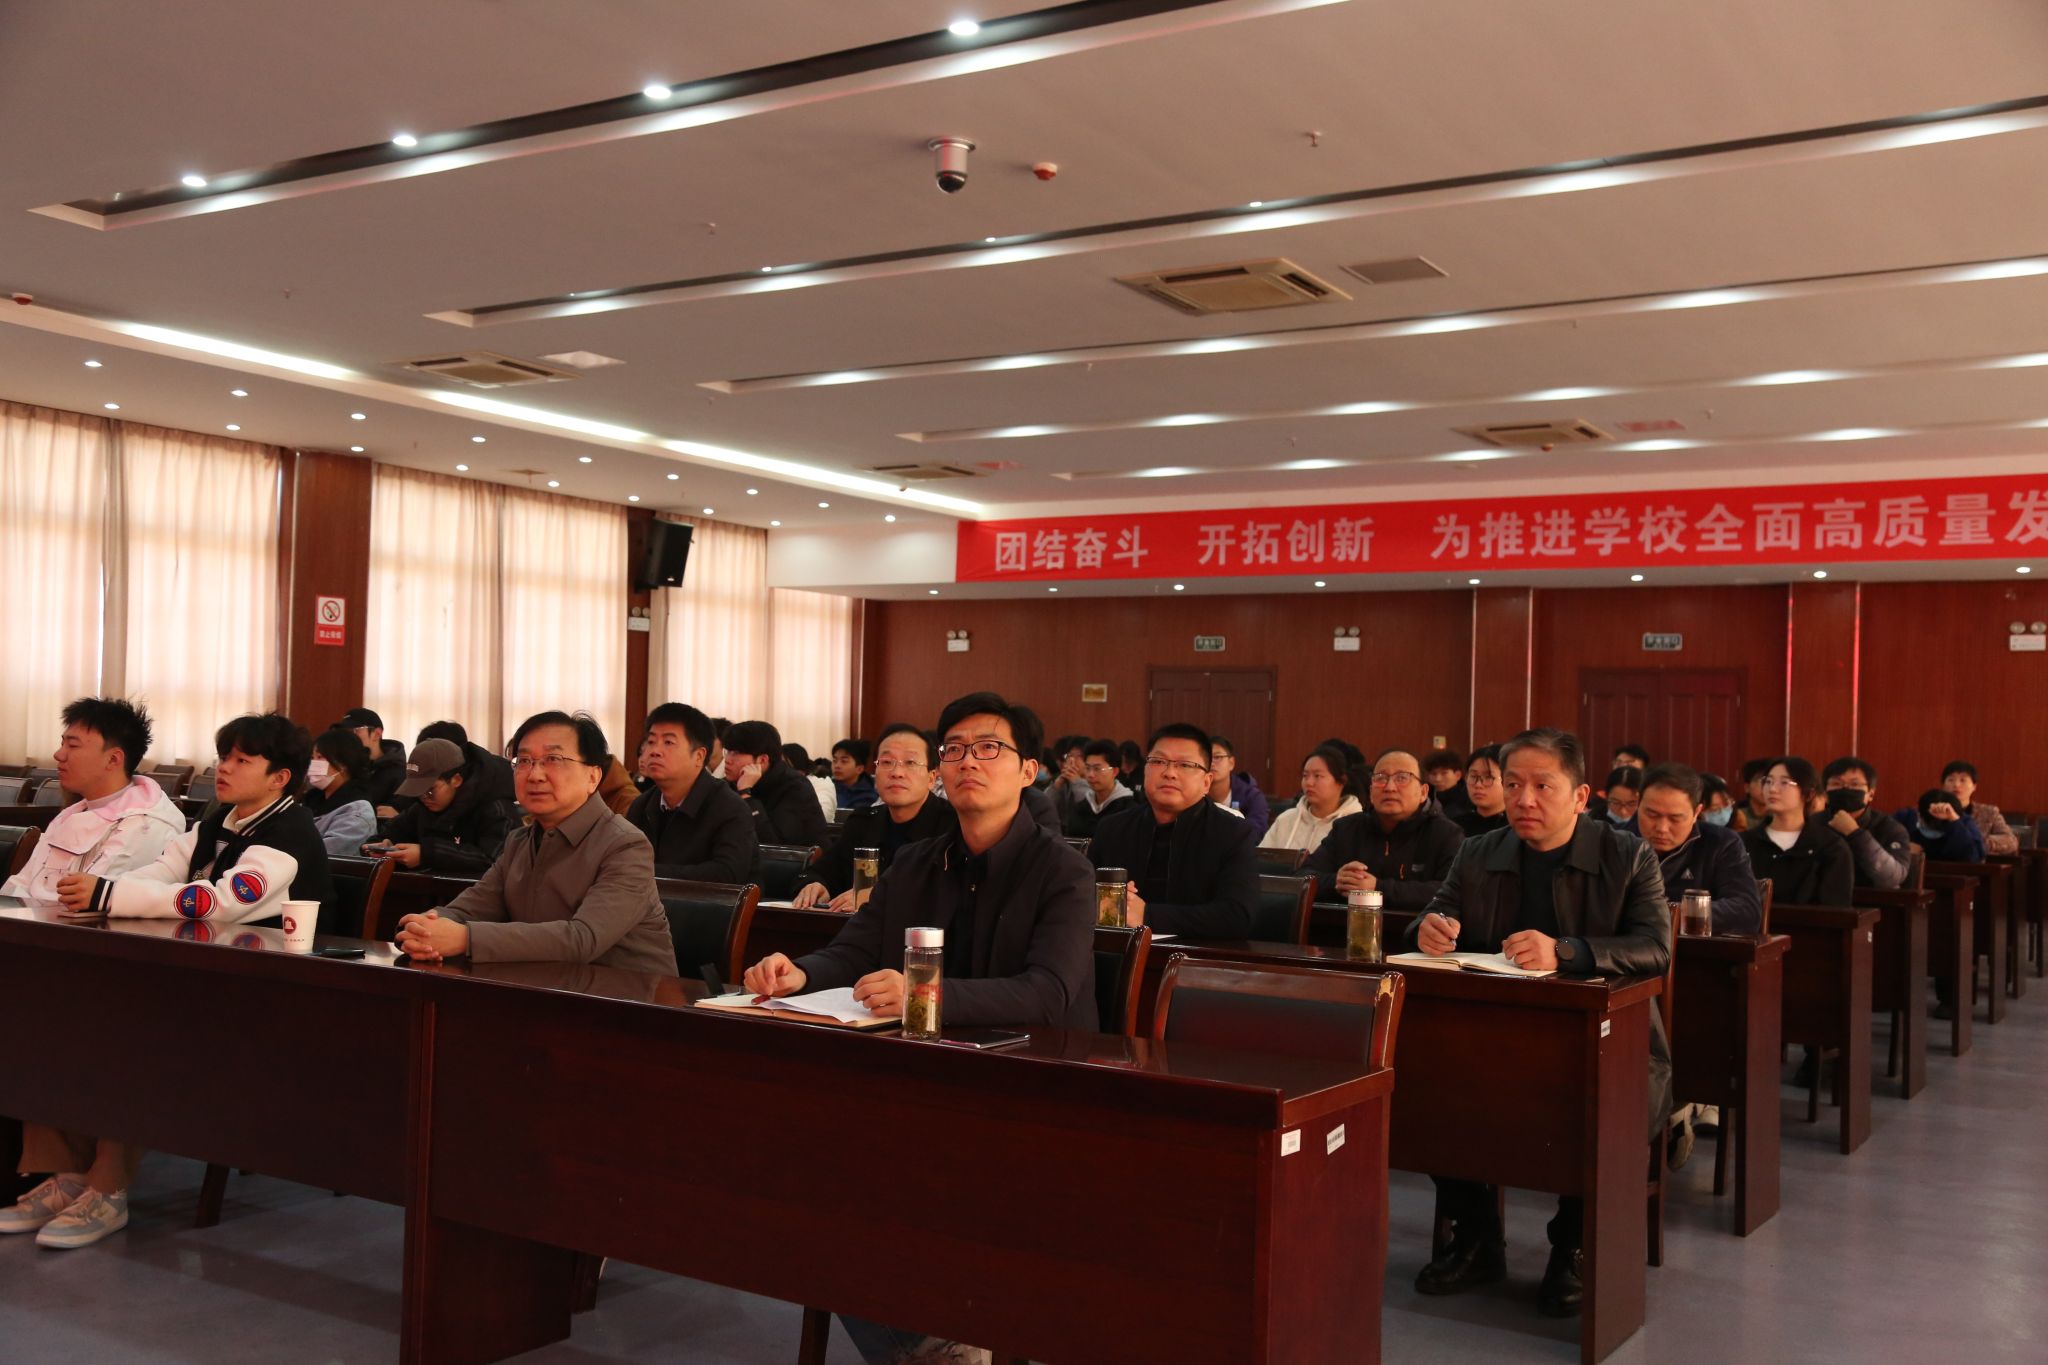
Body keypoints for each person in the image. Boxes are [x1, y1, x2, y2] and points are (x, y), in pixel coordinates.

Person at [743, 692, 1094, 1365]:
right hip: (923, 1082)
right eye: (954, 749)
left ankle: (944, 1342)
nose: (967, 761)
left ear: (1029, 770)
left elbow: (1048, 994)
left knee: (873, 1181)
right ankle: (934, 1344)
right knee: (801, 1172)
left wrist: (924, 994)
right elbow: (855, 950)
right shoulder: (915, 862)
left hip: (1033, 1093)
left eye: (988, 748)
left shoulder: (1064, 871)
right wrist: (800, 973)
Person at [2, 714, 335, 1251]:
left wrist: (111, 896)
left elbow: (219, 902)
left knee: (133, 1033)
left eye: (242, 760)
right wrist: (101, 888)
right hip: (201, 976)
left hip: (271, 994)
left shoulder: (288, 834)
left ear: (280, 778)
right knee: (58, 1011)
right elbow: (161, 870)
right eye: (223, 756)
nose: (224, 768)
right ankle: (66, 1177)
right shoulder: (219, 818)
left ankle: (107, 1189)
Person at [1408, 728, 1671, 1320]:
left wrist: (1568, 952)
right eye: (1513, 785)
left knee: (1601, 1105)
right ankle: (1477, 1237)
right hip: (1490, 1040)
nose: (1523, 799)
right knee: (1424, 1088)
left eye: (1542, 786)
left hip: (1605, 1045)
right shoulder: (1479, 852)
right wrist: (1426, 930)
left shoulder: (1627, 855)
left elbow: (1657, 949)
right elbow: (1434, 913)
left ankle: (1571, 1248)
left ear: (1580, 796)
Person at [396, 712, 675, 974]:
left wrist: (466, 938)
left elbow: (583, 938)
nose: (535, 774)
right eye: (524, 761)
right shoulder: (519, 841)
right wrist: (426, 925)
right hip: (545, 988)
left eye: (553, 759)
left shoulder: (626, 846)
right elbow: (473, 906)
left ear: (593, 776)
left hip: (631, 998)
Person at [1, 697, 184, 903]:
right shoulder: (72, 813)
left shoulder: (146, 825)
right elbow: (21, 883)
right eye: (62, 744)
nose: (59, 754)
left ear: (113, 759)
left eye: (73, 745)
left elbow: (90, 904)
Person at [1088, 723, 1259, 937]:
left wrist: (1146, 915)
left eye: (1185, 765)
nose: (1169, 773)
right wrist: (1109, 900)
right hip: (1116, 952)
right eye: (1158, 761)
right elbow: (1080, 897)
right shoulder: (1113, 828)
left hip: (1197, 955)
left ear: (1206, 782)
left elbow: (1238, 916)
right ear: (1145, 770)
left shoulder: (1234, 833)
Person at [795, 723, 958, 911]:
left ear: (931, 778)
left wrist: (880, 896)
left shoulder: (952, 825)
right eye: (886, 762)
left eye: (910, 763)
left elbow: (949, 893)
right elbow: (825, 870)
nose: (897, 773)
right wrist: (815, 884)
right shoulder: (863, 822)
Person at [1305, 748, 1465, 910]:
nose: (1389, 787)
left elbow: (1452, 892)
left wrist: (1378, 888)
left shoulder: (1446, 834)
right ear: (1371, 792)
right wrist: (1338, 882)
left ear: (1423, 792)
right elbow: (1303, 876)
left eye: (1402, 778)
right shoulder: (1346, 828)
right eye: (1380, 778)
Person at [623, 703, 760, 884]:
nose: (655, 751)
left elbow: (728, 874)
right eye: (651, 742)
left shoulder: (729, 808)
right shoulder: (642, 805)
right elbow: (624, 861)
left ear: (699, 756)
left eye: (668, 742)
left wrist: (646, 872)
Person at [1636, 764, 1761, 934]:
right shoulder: (1616, 840)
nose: (1662, 828)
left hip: (1694, 947)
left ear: (1697, 812)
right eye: (1652, 815)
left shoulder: (1721, 843)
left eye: (1675, 818)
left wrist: (1672, 914)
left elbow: (1746, 910)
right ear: (1638, 803)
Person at [372, 738, 520, 875]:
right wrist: (384, 846)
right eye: (418, 791)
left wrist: (426, 854)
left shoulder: (496, 809)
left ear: (456, 780)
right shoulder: (422, 807)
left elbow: (492, 861)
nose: (424, 797)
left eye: (430, 790)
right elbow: (388, 833)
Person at [1740, 758, 1853, 906]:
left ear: (1809, 794)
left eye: (1784, 782)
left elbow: (1835, 908)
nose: (1772, 789)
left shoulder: (1831, 847)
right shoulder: (1743, 843)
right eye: (1768, 781)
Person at [722, 720, 833, 850]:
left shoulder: (795, 787)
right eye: (727, 751)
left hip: (798, 861)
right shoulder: (728, 784)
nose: (727, 760)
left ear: (762, 760)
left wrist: (746, 794)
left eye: (736, 753)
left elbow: (773, 845)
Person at [1820, 757, 1912, 889]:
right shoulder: (1813, 824)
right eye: (1836, 783)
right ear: (1825, 794)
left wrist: (1855, 833)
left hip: (1873, 899)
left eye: (1855, 784)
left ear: (1871, 794)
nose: (1846, 789)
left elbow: (1893, 877)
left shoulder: (1890, 828)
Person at [1260, 744, 1364, 855]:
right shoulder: (1286, 820)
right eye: (1305, 775)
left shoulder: (1356, 825)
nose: (1309, 783)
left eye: (1317, 776)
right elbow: (1261, 859)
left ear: (1341, 781)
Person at [300, 727, 379, 855]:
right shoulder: (311, 799)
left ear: (343, 763)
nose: (313, 764)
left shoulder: (357, 812)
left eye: (320, 757)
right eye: (312, 758)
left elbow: (320, 857)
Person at [1062, 738, 1137, 841]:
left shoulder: (1129, 809)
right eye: (1087, 768)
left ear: (1115, 771)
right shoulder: (1081, 807)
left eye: (1097, 769)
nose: (1090, 775)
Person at [1940, 761, 2018, 856]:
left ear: (1974, 786)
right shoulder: (1934, 811)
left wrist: (1977, 842)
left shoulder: (1988, 812)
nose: (1956, 784)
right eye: (1951, 780)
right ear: (1943, 786)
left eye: (1963, 780)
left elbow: (2011, 841)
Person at [338, 707, 409, 813]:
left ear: (377, 734)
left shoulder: (400, 773)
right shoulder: (343, 768)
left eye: (355, 731)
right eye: (344, 733)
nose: (347, 738)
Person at [1898, 787, 1987, 863]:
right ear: (1919, 815)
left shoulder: (1964, 822)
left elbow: (1975, 857)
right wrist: (1903, 847)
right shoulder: (1906, 817)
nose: (1935, 827)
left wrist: (1954, 820)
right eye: (1931, 824)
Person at [1207, 736, 1271, 837]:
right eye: (1207, 758)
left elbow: (1257, 832)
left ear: (1231, 763)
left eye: (1217, 757)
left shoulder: (1252, 796)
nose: (1211, 763)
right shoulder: (1194, 795)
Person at [1457, 743, 1508, 837]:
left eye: (1488, 777)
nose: (1478, 785)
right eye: (1473, 776)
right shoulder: (1454, 828)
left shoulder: (1516, 828)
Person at [1424, 748, 1475, 823]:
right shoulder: (1423, 797)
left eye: (1444, 773)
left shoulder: (1470, 798)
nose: (1438, 779)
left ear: (1458, 775)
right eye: (1433, 774)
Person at [830, 737, 878, 810]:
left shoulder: (870, 794)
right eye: (834, 760)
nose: (837, 766)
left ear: (859, 769)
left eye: (844, 761)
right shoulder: (827, 786)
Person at [1731, 757, 1773, 833]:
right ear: (1747, 787)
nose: (1769, 788)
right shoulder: (1736, 817)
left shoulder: (1781, 816)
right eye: (1763, 781)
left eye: (1771, 782)